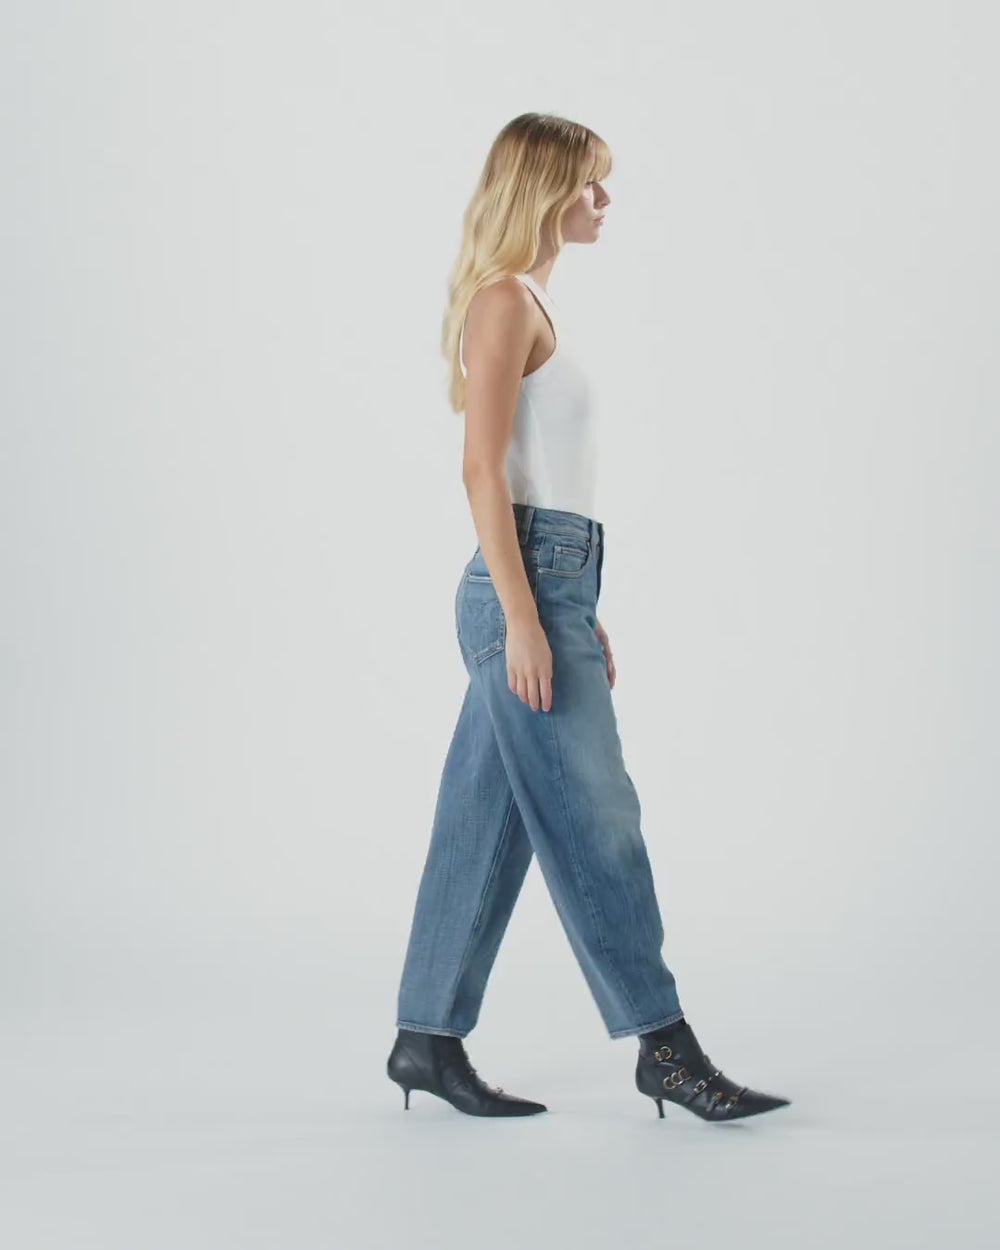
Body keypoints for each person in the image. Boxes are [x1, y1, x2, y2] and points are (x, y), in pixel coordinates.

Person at [387, 113, 791, 1123]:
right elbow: (481, 472)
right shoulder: (502, 301)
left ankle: (425, 1038)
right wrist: (527, 618)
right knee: (597, 819)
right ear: (542, 189)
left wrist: (574, 608)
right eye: (588, 183)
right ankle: (667, 1049)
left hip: (553, 581)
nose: (603, 201)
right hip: (521, 584)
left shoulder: (529, 301)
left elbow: (541, 472)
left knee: (483, 821)